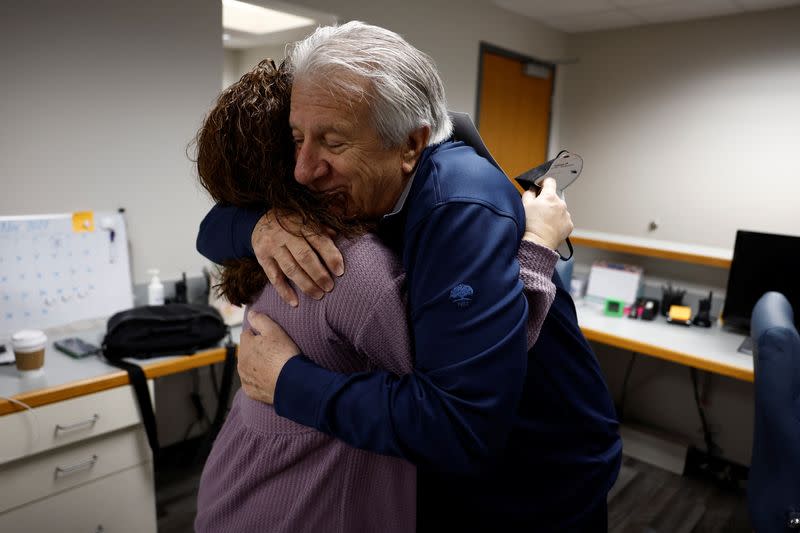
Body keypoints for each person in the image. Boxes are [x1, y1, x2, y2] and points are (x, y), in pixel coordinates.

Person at [197, 22, 621, 531]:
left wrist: (287, 381)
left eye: (331, 142)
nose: (303, 170)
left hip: (537, 478)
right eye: (296, 139)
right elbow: (211, 228)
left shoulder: (457, 204)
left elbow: (459, 425)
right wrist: (259, 227)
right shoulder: (357, 178)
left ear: (411, 145)